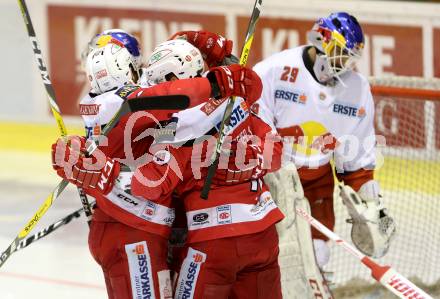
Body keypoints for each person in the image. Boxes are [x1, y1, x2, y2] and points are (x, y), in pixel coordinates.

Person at [53, 36, 284, 298]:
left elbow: (150, 181)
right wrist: (221, 79)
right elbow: (273, 151)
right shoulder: (227, 104)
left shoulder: (176, 126)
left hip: (198, 237)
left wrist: (103, 177)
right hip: (254, 231)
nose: (144, 80)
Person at [252, 12, 396, 274]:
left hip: (317, 182)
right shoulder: (273, 72)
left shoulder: (357, 89)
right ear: (321, 41)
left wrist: (371, 203)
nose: (347, 63)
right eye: (341, 53)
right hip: (270, 181)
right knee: (266, 256)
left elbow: (357, 160)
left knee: (318, 254)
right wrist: (274, 175)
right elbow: (254, 131)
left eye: (350, 57)